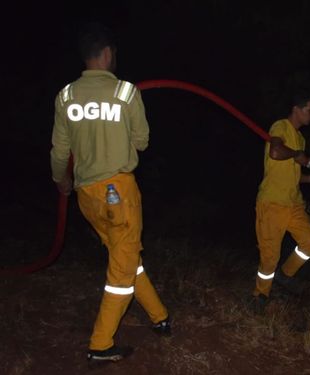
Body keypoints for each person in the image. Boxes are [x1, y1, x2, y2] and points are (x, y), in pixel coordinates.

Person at [49, 22, 170, 365]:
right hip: (120, 192)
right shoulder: (126, 92)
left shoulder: (66, 96)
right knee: (121, 271)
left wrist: (62, 181)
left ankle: (160, 316)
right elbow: (143, 142)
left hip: (87, 195)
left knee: (126, 255)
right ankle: (101, 343)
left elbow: (60, 151)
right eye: (113, 53)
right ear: (106, 54)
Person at [251, 90, 310, 312]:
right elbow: (275, 152)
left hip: (293, 203)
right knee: (269, 257)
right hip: (272, 203)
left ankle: (285, 275)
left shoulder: (301, 138)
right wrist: (297, 155)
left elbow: (292, 175)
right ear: (297, 109)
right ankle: (260, 295)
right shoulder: (280, 127)